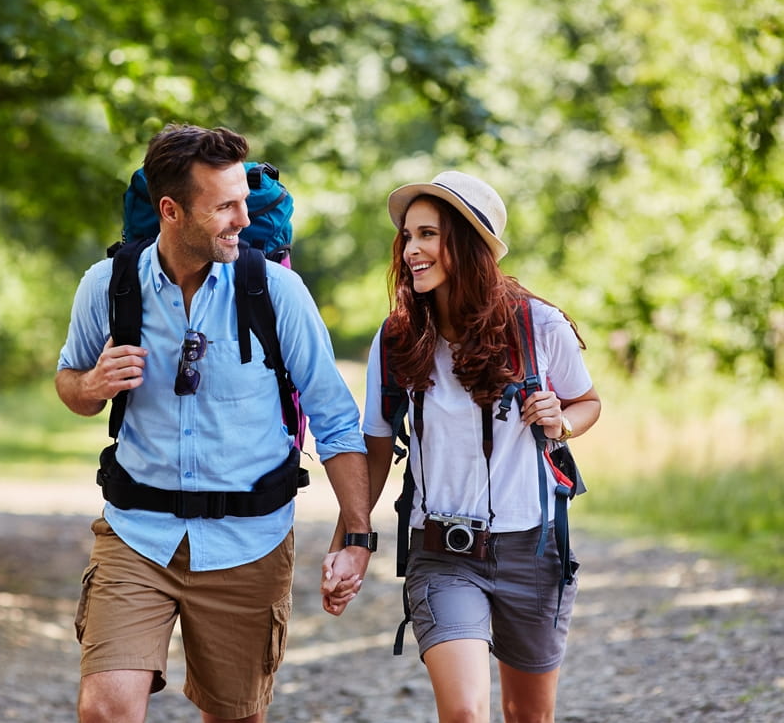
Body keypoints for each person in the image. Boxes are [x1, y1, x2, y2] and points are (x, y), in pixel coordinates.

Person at [55, 123, 377, 723]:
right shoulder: (109, 285)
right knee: (104, 709)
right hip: (137, 536)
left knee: (234, 717)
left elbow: (336, 421)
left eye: (245, 203)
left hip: (249, 544)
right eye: (224, 206)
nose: (242, 219)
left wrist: (356, 537)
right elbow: (69, 382)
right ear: (170, 210)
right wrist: (92, 385)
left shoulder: (275, 291)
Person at [324, 171, 601, 722]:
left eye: (428, 234)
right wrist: (350, 541)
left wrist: (562, 422)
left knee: (528, 715)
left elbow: (587, 402)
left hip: (534, 549)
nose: (411, 249)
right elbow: (375, 447)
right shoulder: (398, 337)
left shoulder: (538, 325)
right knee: (465, 712)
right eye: (408, 236)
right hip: (442, 552)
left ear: (469, 244)